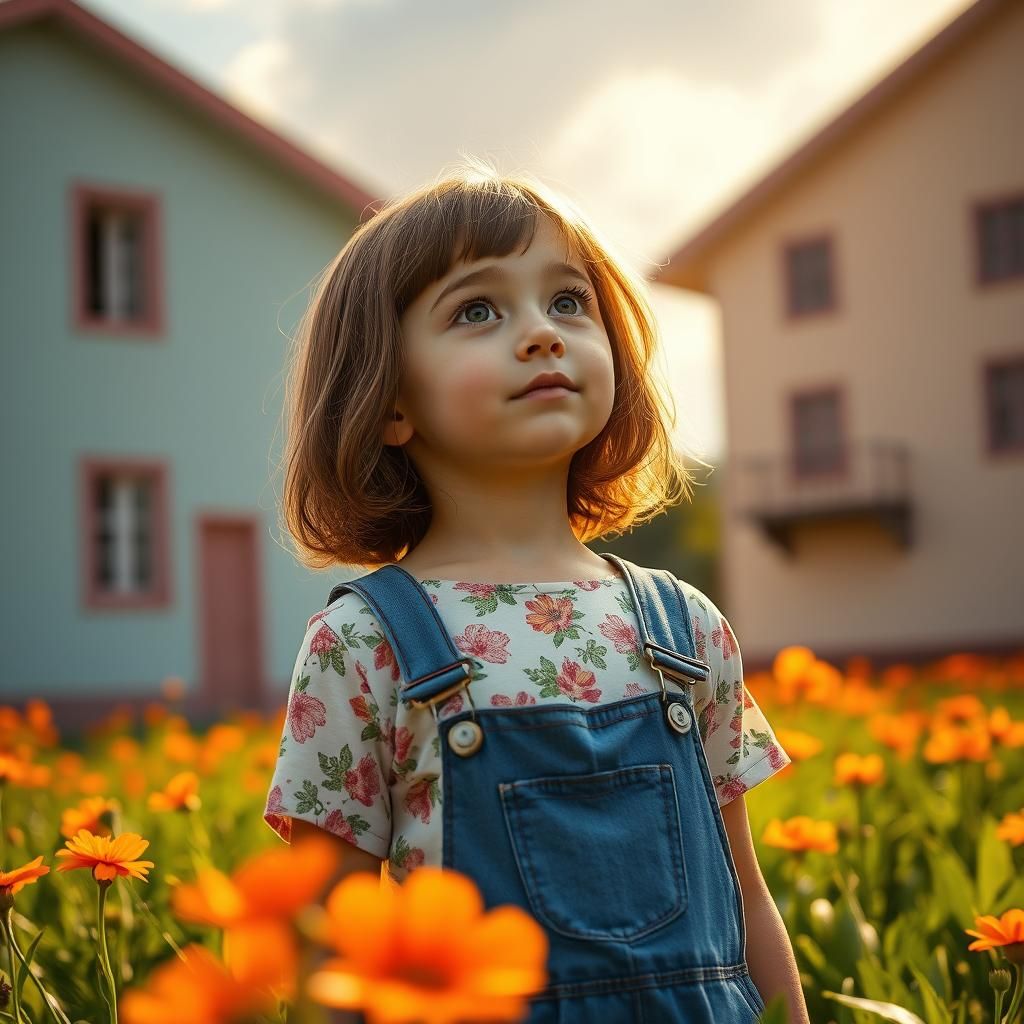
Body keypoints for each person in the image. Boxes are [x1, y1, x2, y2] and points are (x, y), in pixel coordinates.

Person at [264, 160, 807, 1022]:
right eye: (478, 310)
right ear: (391, 400)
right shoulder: (365, 644)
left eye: (567, 302)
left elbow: (746, 894)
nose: (541, 333)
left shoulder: (686, 626)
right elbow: (330, 939)